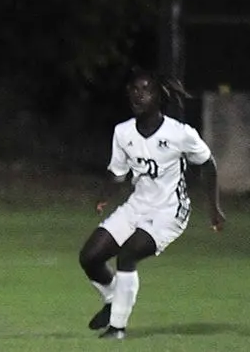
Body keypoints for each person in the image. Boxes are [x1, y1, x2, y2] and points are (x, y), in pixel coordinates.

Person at [77, 68, 225, 340]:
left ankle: (117, 328)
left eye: (146, 90)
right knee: (90, 257)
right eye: (134, 89)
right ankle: (113, 300)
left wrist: (214, 209)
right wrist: (105, 195)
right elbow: (118, 172)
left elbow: (208, 164)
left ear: (159, 96)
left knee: (127, 255)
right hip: (137, 205)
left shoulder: (180, 133)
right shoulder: (123, 132)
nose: (138, 95)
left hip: (170, 212)